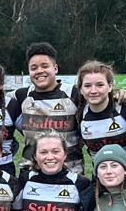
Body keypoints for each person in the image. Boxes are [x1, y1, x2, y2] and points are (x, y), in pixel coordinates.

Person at [6, 43, 83, 173]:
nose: (39, 71)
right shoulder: (21, 95)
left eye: (45, 66)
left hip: (69, 172)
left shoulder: (74, 94)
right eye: (34, 68)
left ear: (55, 68)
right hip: (31, 172)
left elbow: (100, 97)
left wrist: (118, 95)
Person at [75, 61, 126, 159]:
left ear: (110, 86)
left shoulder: (125, 107)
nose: (93, 91)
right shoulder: (80, 114)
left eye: (100, 85)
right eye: (87, 86)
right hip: (98, 169)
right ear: (81, 89)